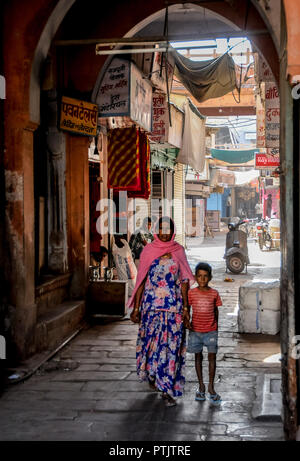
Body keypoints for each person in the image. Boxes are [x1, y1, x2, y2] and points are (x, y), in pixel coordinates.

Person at [128, 217, 195, 407]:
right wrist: (137, 307)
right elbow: (141, 280)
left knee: (171, 348)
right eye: (162, 229)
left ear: (173, 231)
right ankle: (152, 375)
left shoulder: (178, 251)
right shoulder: (149, 251)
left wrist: (185, 308)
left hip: (173, 308)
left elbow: (183, 281)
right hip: (151, 309)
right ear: (156, 231)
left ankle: (166, 388)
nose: (165, 233)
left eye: (168, 229)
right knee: (152, 347)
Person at [185, 262, 223, 404]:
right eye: (199, 276)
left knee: (212, 359)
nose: (202, 279)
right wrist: (187, 320)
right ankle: (201, 386)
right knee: (198, 358)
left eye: (205, 276)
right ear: (195, 277)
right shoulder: (191, 293)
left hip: (211, 332)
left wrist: (216, 327)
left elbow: (216, 311)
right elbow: (187, 309)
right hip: (195, 331)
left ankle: (211, 387)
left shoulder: (214, 293)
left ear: (210, 277)